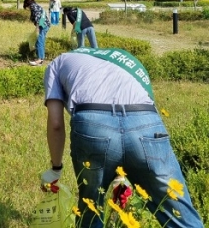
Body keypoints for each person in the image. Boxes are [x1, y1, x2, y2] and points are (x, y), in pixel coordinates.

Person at [40, 47, 204, 228]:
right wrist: (123, 171)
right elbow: (131, 125)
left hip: (93, 126)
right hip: (146, 122)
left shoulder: (58, 62)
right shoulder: (127, 59)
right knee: (180, 215)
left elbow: (55, 123)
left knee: (91, 208)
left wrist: (55, 169)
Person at [23, 0, 50, 66]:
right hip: (45, 25)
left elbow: (38, 18)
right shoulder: (36, 6)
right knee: (41, 41)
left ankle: (39, 60)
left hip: (42, 26)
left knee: (39, 42)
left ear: (27, 4)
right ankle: (41, 59)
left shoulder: (34, 7)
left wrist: (37, 28)